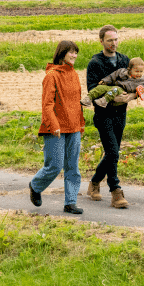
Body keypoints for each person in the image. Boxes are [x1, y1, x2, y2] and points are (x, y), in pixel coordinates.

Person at [28, 39, 86, 214]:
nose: (75, 55)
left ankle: (71, 202)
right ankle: (35, 186)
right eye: (71, 52)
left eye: (76, 52)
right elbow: (47, 105)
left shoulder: (74, 74)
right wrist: (54, 125)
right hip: (56, 128)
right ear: (62, 54)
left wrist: (81, 124)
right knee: (55, 165)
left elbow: (77, 103)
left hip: (74, 126)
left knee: (73, 167)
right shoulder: (51, 75)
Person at [86, 25, 132, 207]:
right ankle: (115, 191)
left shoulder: (124, 60)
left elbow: (135, 82)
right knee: (113, 152)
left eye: (116, 39)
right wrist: (113, 97)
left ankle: (95, 182)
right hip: (103, 114)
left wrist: (130, 95)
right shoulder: (95, 63)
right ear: (101, 41)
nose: (114, 43)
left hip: (121, 114)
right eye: (110, 40)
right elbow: (92, 90)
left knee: (113, 153)